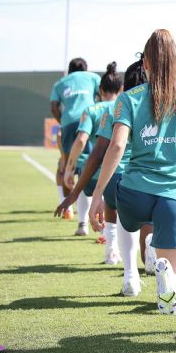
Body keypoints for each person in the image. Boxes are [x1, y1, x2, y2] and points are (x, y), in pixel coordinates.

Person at [88, 29, 176, 307]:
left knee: (126, 217)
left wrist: (97, 195)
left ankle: (130, 272)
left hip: (133, 195)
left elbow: (117, 147)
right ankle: (166, 275)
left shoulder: (128, 99)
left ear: (145, 64)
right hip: (174, 196)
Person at [56, 58, 152, 296]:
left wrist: (72, 181)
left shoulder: (110, 108)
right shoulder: (154, 108)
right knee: (147, 221)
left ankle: (115, 254)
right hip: (148, 179)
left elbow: (96, 150)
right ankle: (151, 254)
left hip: (111, 176)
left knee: (113, 211)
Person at [63, 62, 123, 259]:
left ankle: (82, 224)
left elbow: (81, 140)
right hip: (119, 169)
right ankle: (114, 245)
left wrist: (70, 167)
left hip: (93, 167)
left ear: (100, 90)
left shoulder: (92, 109)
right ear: (120, 89)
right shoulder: (125, 107)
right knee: (116, 207)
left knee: (85, 191)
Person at [50, 58, 101, 235]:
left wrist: (62, 120)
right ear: (86, 69)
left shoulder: (61, 83)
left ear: (69, 70)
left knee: (68, 167)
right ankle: (88, 222)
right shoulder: (93, 77)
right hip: (90, 122)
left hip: (68, 125)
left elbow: (54, 106)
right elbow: (103, 95)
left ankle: (74, 214)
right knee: (92, 169)